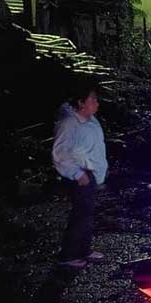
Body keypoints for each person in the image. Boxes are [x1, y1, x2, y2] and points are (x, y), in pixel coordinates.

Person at [52, 83, 108, 268]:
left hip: (89, 174)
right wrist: (77, 173)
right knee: (79, 215)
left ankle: (83, 249)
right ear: (81, 103)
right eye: (92, 99)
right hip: (78, 176)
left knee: (87, 214)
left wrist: (99, 172)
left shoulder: (91, 121)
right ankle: (67, 255)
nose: (96, 103)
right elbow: (60, 153)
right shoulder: (69, 124)